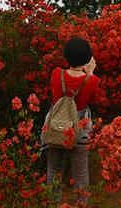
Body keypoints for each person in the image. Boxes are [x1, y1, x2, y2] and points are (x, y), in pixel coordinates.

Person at [46, 37, 101, 205]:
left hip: (55, 128)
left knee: (53, 171)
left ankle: (53, 204)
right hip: (80, 130)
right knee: (81, 175)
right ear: (87, 58)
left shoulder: (56, 74)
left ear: (67, 56)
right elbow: (94, 100)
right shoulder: (92, 81)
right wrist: (89, 74)